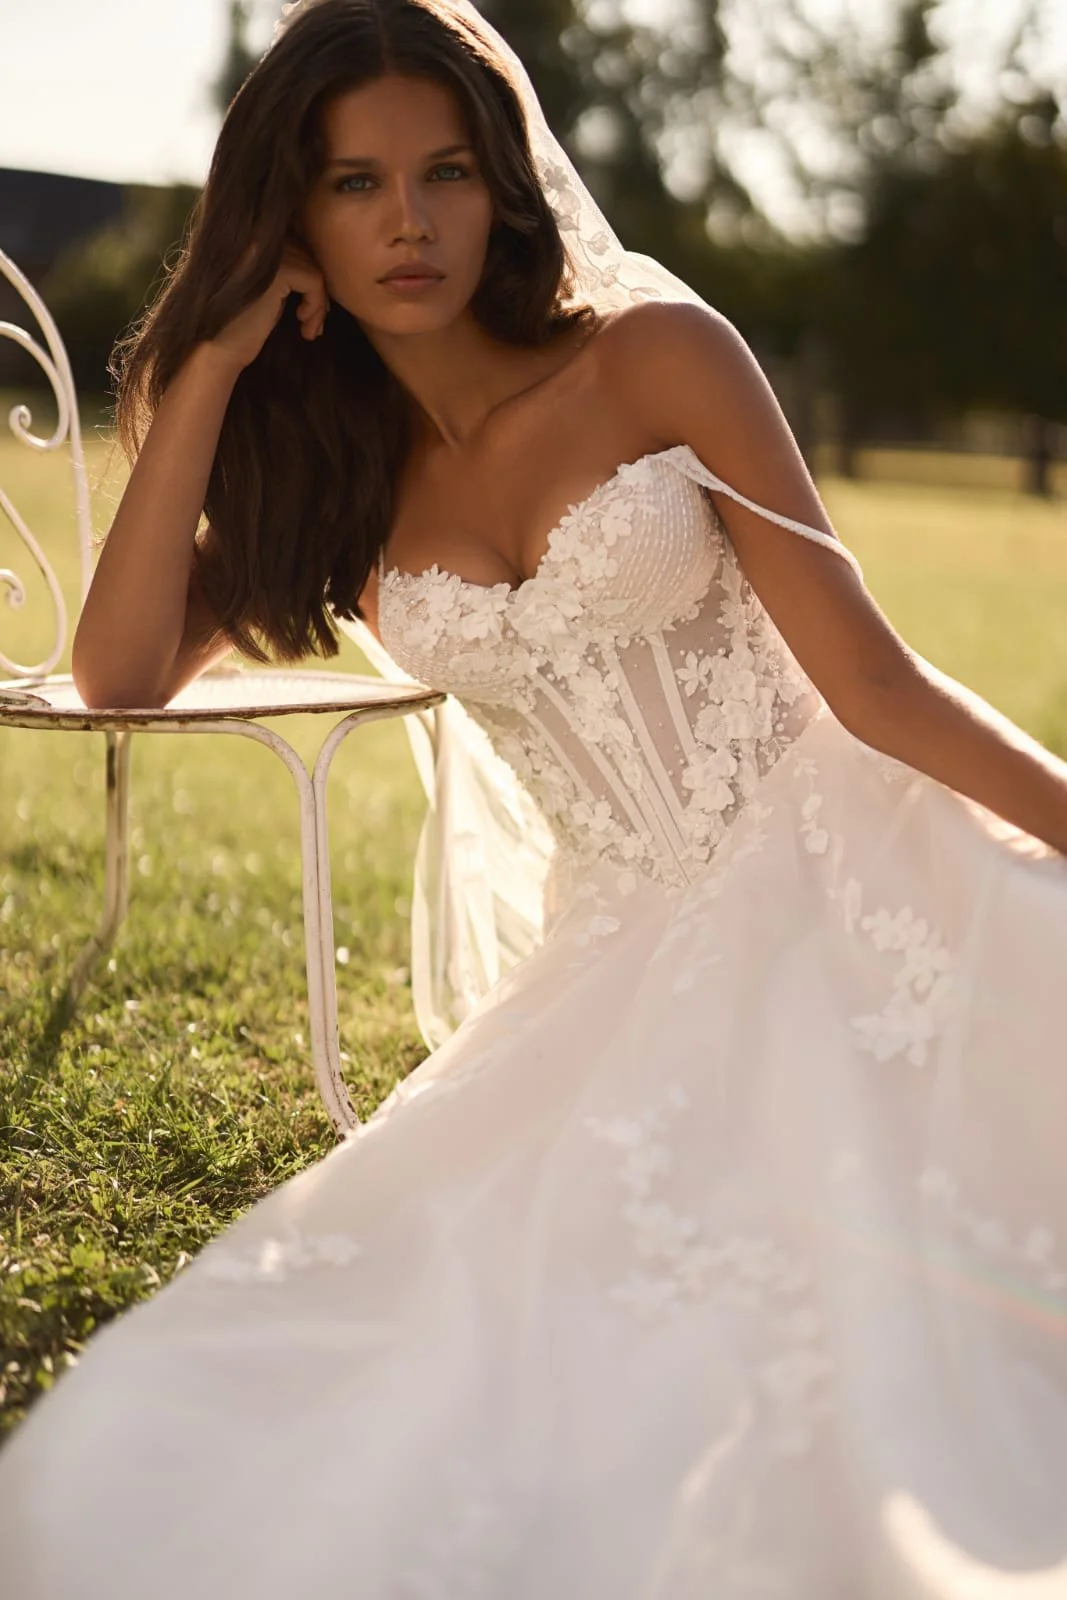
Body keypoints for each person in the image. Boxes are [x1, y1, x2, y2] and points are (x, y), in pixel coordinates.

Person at [3, 0, 1067, 1593]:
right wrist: (214, 363)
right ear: (288, 212)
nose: (408, 223)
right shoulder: (334, 473)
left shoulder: (657, 355)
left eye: (442, 172)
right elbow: (122, 673)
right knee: (427, 1340)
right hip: (621, 956)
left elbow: (878, 686)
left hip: (855, 858)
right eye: (353, 184)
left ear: (503, 181)